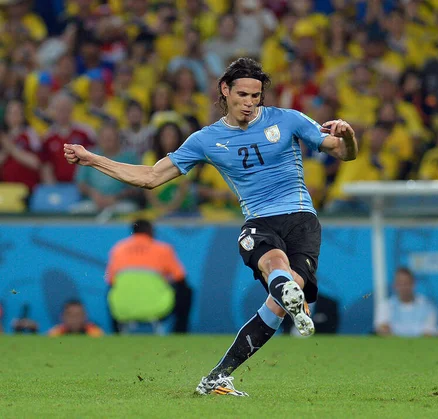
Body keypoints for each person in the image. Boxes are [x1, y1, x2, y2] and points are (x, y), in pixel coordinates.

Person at [63, 57, 358, 396]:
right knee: (273, 263)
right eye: (242, 95)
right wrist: (92, 158)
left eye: (256, 96)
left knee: (277, 302)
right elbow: (150, 177)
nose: (249, 103)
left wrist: (347, 137)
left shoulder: (288, 120)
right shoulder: (206, 140)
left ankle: (221, 373)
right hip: (260, 221)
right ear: (225, 90)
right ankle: (288, 294)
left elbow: (342, 152)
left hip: (303, 219)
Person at [106, 219, 192, 333]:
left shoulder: (118, 249)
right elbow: (181, 279)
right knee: (186, 292)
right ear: (151, 230)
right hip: (158, 307)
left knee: (111, 292)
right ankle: (179, 333)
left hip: (124, 308)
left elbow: (110, 281)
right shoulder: (163, 249)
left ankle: (117, 333)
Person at [375, 267, 438, 337]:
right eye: (400, 283)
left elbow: (428, 333)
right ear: (394, 285)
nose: (403, 287)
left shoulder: (427, 306)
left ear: (413, 284)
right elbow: (382, 330)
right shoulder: (385, 306)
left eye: (406, 283)